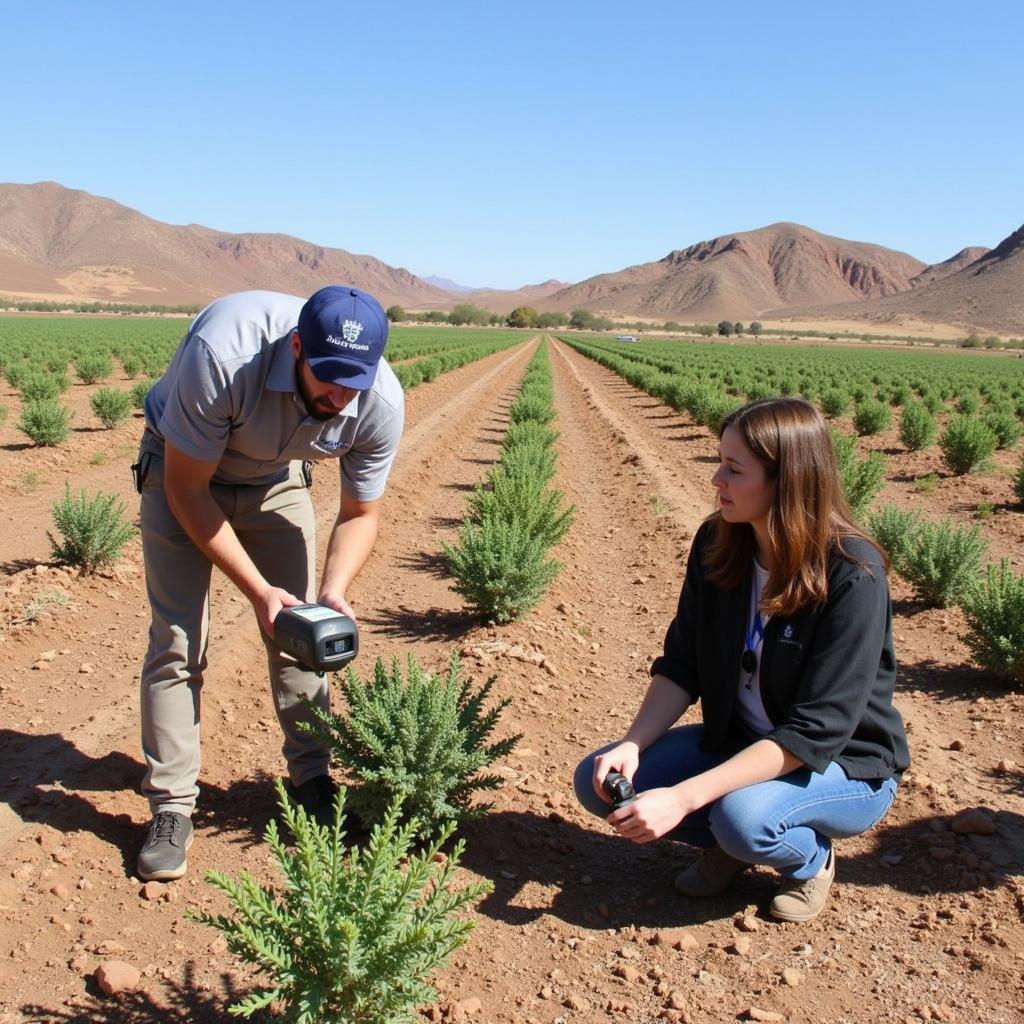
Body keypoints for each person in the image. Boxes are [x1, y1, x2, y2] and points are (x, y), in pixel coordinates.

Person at [573, 397, 909, 922]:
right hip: (745, 740)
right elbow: (682, 663)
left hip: (843, 766)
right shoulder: (719, 542)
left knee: (741, 820)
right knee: (598, 783)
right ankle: (731, 842)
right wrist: (633, 744)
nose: (716, 479)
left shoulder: (851, 575)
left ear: (787, 481)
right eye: (719, 461)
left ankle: (808, 859)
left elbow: (814, 732)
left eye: (734, 468)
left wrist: (683, 799)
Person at [132, 286, 404, 881]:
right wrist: (259, 593)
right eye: (327, 377)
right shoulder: (225, 353)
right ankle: (172, 807)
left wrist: (330, 594)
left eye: (352, 382)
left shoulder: (378, 401)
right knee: (179, 643)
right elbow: (187, 492)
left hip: (276, 481)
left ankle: (312, 780)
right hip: (182, 472)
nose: (339, 395)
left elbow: (360, 514)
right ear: (297, 347)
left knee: (302, 632)